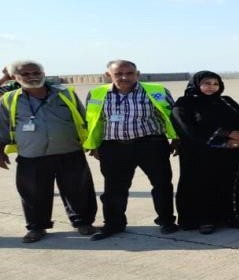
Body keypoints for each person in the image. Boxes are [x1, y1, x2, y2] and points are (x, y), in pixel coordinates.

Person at [0, 60, 97, 243]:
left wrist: (94, 145)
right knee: (33, 194)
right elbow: (2, 126)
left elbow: (84, 119)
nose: (32, 76)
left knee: (79, 190)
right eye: (25, 74)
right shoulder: (8, 99)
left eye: (36, 72)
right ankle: (37, 227)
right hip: (31, 155)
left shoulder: (66, 94)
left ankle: (83, 222)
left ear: (43, 73)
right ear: (14, 77)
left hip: (70, 152)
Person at [85, 60, 179, 241]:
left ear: (137, 74)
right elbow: (94, 120)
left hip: (150, 144)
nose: (124, 77)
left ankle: (166, 221)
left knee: (162, 184)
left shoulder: (157, 91)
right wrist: (94, 145)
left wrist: (176, 139)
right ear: (108, 75)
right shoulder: (96, 93)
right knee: (113, 189)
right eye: (118, 74)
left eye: (129, 73)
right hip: (113, 147)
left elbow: (172, 116)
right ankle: (114, 224)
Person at [172, 71, 239, 234]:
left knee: (230, 185)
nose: (211, 87)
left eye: (215, 84)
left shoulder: (226, 101)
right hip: (198, 154)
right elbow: (186, 128)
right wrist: (225, 136)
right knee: (202, 186)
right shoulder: (185, 103)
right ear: (197, 84)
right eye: (207, 83)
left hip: (229, 154)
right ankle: (204, 220)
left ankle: (235, 217)